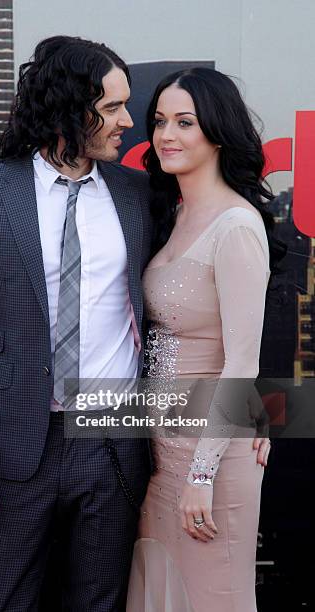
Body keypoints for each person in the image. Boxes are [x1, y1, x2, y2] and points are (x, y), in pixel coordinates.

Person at [0, 35, 154, 611]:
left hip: (112, 439)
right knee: (0, 601)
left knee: (100, 602)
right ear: (66, 108)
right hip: (10, 446)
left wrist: (242, 411)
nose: (127, 121)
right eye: (110, 108)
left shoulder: (139, 195)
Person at [127, 68, 278, 611]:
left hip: (210, 462)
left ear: (216, 132)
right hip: (161, 455)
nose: (167, 134)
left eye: (184, 122)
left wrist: (202, 474)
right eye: (160, 121)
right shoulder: (172, 213)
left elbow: (241, 361)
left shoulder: (237, 225)